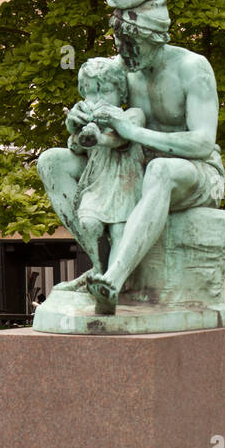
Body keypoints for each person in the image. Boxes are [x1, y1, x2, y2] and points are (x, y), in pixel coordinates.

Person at [38, 0, 225, 314]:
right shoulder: (119, 69)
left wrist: (132, 132)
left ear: (156, 38)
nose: (124, 53)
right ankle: (99, 264)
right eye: (119, 42)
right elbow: (100, 135)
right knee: (53, 162)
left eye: (132, 43)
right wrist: (78, 123)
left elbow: (201, 142)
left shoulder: (192, 69)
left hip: (190, 171)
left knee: (160, 169)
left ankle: (114, 279)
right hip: (127, 165)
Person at [68, 56, 146, 281]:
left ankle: (113, 282)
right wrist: (74, 126)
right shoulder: (89, 122)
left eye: (106, 91)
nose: (98, 100)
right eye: (91, 93)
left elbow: (121, 139)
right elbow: (75, 145)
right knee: (88, 223)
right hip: (97, 184)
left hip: (124, 183)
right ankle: (99, 269)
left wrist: (99, 138)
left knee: (120, 231)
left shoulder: (132, 114)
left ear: (121, 93)